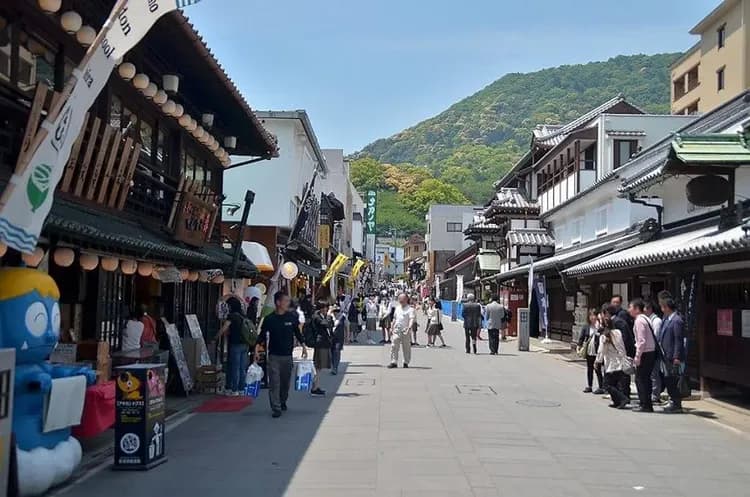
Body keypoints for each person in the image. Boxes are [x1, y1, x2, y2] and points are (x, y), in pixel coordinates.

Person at [255, 291, 307, 418]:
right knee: (274, 382)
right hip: (274, 356)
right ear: (278, 302)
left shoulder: (291, 317)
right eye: (285, 301)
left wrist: (304, 346)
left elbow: (297, 333)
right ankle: (276, 407)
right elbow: (262, 335)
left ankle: (282, 400)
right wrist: (256, 349)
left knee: (285, 383)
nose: (288, 303)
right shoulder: (269, 319)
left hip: (288, 356)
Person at [596, 309, 630, 409]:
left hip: (611, 363)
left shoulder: (604, 336)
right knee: (615, 383)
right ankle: (617, 402)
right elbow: (622, 346)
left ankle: (623, 399)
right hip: (619, 361)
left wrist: (597, 361)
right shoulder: (618, 332)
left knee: (607, 385)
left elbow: (601, 351)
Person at [659, 298, 686, 413]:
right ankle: (673, 401)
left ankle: (677, 404)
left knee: (673, 380)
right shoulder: (666, 319)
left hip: (672, 356)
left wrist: (676, 357)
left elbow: (678, 340)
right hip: (665, 355)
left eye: (662, 307)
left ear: (667, 307)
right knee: (668, 379)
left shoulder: (677, 320)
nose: (661, 309)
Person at [217, 297, 248, 396]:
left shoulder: (232, 316)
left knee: (234, 367)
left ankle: (234, 389)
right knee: (242, 368)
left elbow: (224, 328)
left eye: (228, 306)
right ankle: (241, 389)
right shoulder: (243, 315)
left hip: (235, 344)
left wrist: (216, 337)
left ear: (231, 306)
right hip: (245, 344)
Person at [630, 298, 656, 413]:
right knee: (645, 379)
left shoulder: (639, 321)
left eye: (630, 307)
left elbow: (641, 341)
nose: (629, 310)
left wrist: (637, 356)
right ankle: (647, 403)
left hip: (645, 353)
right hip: (650, 352)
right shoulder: (646, 318)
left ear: (636, 309)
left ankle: (644, 404)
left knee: (640, 379)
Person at [609, 303, 635, 401]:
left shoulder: (618, 322)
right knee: (619, 374)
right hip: (619, 352)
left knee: (624, 374)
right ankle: (621, 396)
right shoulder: (614, 321)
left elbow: (624, 338)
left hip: (623, 352)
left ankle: (625, 395)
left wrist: (619, 350)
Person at [310, 301, 333, 396]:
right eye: (324, 307)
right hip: (320, 343)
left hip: (323, 343)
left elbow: (330, 325)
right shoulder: (317, 317)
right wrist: (329, 315)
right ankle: (314, 387)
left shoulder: (321, 316)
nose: (326, 309)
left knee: (319, 367)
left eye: (326, 307)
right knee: (318, 366)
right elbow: (326, 324)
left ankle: (316, 386)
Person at [578, 310, 604, 394]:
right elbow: (582, 337)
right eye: (591, 316)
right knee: (589, 369)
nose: (592, 317)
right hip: (589, 350)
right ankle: (589, 386)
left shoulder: (600, 326)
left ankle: (601, 386)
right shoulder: (586, 326)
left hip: (597, 351)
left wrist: (599, 326)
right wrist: (579, 346)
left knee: (598, 369)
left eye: (594, 315)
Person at [387, 293, 416, 368]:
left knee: (406, 347)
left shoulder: (410, 309)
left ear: (406, 299)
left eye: (402, 299)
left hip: (405, 330)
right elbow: (394, 318)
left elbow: (411, 319)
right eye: (399, 299)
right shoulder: (397, 308)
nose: (400, 300)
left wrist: (409, 327)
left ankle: (406, 362)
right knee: (394, 346)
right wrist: (391, 328)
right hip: (397, 330)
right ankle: (394, 362)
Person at [645, 300, 664, 404]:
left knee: (654, 374)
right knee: (650, 373)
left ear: (649, 309)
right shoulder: (648, 319)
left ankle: (655, 395)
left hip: (655, 350)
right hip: (650, 349)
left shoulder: (656, 321)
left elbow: (655, 337)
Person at [331, 305, 346, 375]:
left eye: (337, 311)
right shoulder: (330, 317)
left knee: (337, 351)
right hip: (331, 338)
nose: (336, 312)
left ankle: (335, 367)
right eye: (334, 311)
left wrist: (347, 337)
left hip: (339, 338)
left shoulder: (342, 317)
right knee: (331, 352)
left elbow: (347, 326)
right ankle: (333, 366)